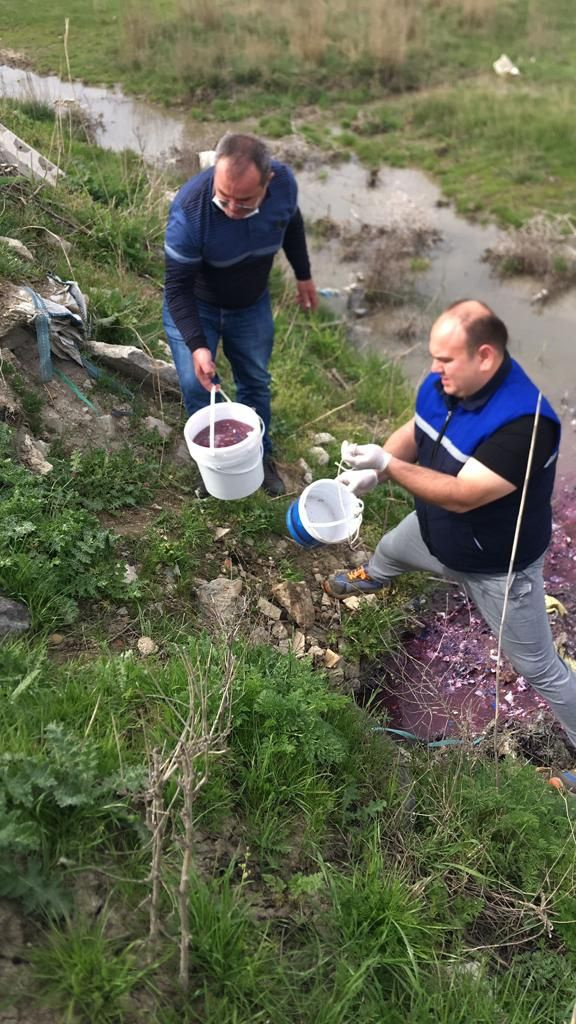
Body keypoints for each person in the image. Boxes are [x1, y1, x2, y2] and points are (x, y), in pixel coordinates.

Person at [324, 299, 576, 753]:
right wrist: (377, 468)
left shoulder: (527, 424)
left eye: (444, 359)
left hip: (498, 567)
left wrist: (391, 468)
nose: (434, 368)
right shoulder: (447, 383)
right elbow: (415, 429)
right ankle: (372, 579)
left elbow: (463, 495)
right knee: (390, 550)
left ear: (485, 356)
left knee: (539, 668)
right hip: (433, 529)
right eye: (433, 357)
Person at [163, 132, 317, 497]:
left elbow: (290, 224)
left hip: (250, 303)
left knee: (255, 381)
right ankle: (215, 466)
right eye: (224, 197)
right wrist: (199, 346)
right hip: (197, 304)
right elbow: (177, 290)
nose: (231, 210)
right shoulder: (191, 211)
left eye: (244, 202)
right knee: (195, 383)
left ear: (269, 181)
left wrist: (304, 275)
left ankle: (258, 456)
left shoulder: (285, 186)